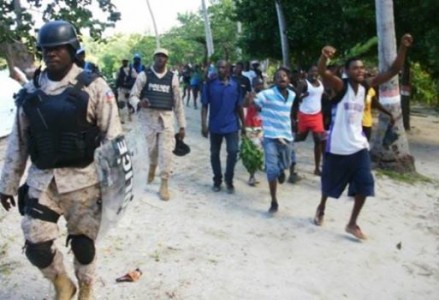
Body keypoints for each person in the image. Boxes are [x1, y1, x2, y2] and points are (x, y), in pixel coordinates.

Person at [0, 20, 122, 299]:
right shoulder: (30, 93)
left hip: (84, 182)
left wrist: (114, 188)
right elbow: (18, 142)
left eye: (58, 49)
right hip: (43, 182)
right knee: (36, 244)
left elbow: (112, 139)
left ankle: (86, 286)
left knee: (83, 245)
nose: (51, 54)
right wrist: (7, 184)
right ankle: (61, 282)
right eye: (46, 50)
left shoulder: (95, 87)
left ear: (72, 49)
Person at [313, 34, 413, 239]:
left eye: (362, 67)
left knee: (365, 183)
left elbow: (394, 70)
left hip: (358, 146)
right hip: (338, 146)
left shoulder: (367, 86)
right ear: (347, 72)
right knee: (329, 185)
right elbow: (322, 71)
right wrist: (324, 56)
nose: (360, 70)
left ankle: (352, 223)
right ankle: (321, 207)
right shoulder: (341, 86)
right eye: (355, 68)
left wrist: (403, 48)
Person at [129, 48, 186, 201]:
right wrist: (140, 102)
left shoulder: (172, 77)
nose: (161, 59)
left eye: (164, 57)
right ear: (154, 58)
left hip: (166, 118)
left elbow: (178, 103)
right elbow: (132, 95)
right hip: (147, 118)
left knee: (166, 151)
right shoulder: (144, 75)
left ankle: (164, 182)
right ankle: (149, 170)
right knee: (147, 149)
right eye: (159, 56)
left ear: (167, 60)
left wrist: (182, 125)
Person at [253, 67, 296, 213]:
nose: (282, 78)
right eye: (278, 76)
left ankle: (281, 171)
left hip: (286, 136)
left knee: (286, 164)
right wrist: (253, 101)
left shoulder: (292, 95)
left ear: (288, 79)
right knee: (271, 169)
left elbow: (291, 112)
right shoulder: (268, 93)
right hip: (270, 137)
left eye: (284, 76)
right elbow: (256, 103)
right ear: (275, 80)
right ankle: (274, 201)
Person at [201, 59, 245, 194]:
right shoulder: (210, 85)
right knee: (214, 153)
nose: (220, 70)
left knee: (233, 152)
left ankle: (229, 179)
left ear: (228, 69)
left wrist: (244, 124)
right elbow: (204, 106)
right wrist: (204, 124)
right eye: (219, 67)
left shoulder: (235, 85)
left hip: (232, 125)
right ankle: (217, 180)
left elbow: (239, 106)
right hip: (215, 126)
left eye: (223, 67)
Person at [294, 65, 326, 176]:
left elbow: (321, 94)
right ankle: (287, 140)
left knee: (318, 139)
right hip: (304, 115)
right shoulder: (304, 83)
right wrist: (303, 96)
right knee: (301, 137)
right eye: (312, 71)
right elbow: (295, 98)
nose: (314, 73)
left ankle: (317, 168)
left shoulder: (320, 83)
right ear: (308, 72)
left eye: (316, 71)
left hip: (317, 115)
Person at [244, 77, 264, 186]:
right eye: (257, 84)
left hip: (262, 126)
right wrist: (249, 98)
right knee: (251, 152)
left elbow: (262, 108)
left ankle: (255, 171)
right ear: (253, 85)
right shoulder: (249, 95)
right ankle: (251, 176)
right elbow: (244, 105)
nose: (259, 86)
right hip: (250, 126)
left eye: (261, 84)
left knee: (260, 151)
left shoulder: (265, 96)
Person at [115, 58, 138, 123]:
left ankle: (130, 116)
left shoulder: (132, 70)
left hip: (130, 89)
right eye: (123, 61)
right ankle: (122, 119)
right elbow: (117, 80)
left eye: (126, 61)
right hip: (122, 89)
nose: (124, 62)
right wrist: (117, 88)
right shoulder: (119, 70)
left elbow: (135, 79)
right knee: (121, 103)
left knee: (130, 104)